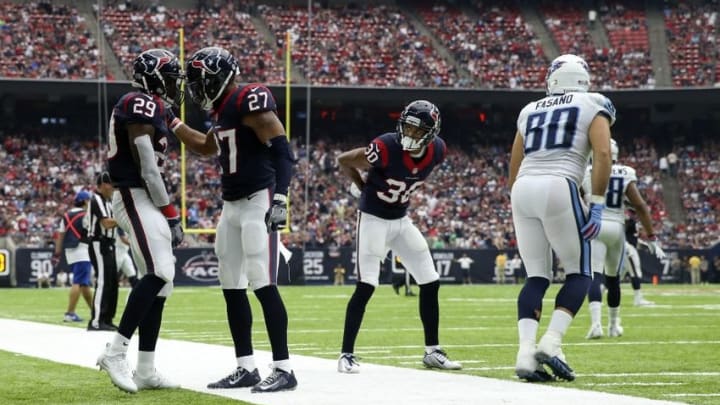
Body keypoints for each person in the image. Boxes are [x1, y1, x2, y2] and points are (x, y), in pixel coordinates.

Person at [97, 48, 217, 393]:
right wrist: (171, 212)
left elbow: (199, 143)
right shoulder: (139, 103)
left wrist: (222, 124)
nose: (173, 85)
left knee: (164, 283)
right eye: (168, 77)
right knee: (161, 271)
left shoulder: (159, 106)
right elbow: (148, 167)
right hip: (135, 194)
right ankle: (116, 351)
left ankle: (146, 369)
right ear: (152, 76)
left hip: (145, 196)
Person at [185, 46, 297, 393]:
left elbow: (282, 150)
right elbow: (206, 147)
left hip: (257, 201)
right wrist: (172, 122)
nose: (198, 88)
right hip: (231, 204)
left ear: (220, 77)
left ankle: (284, 368)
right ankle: (245, 366)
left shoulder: (249, 98)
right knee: (230, 285)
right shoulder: (221, 111)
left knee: (261, 282)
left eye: (203, 81)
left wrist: (281, 198)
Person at [336, 99, 461, 374]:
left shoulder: (438, 151)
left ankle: (432, 351)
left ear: (431, 133)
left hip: (401, 220)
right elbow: (343, 160)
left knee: (430, 281)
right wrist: (362, 188)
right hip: (372, 220)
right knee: (367, 284)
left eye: (417, 131)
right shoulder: (385, 146)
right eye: (407, 127)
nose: (410, 135)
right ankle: (346, 354)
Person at [509, 54, 613, 382]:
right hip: (560, 182)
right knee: (580, 272)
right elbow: (603, 154)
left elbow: (514, 163)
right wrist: (596, 202)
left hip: (523, 187)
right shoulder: (592, 102)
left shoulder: (529, 110)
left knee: (536, 277)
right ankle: (551, 343)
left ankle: (525, 354)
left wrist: (521, 200)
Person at [583, 140, 666, 339]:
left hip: (596, 225)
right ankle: (614, 326)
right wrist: (652, 236)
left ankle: (596, 325)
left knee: (595, 276)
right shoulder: (624, 172)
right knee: (613, 279)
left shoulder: (585, 171)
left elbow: (577, 200)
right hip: (616, 228)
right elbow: (640, 206)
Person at [53, 190, 93, 323]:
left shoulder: (66, 215)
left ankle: (95, 312)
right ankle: (70, 313)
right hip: (83, 250)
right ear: (85, 201)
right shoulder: (86, 215)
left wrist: (57, 253)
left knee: (84, 283)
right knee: (78, 281)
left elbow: (61, 235)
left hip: (70, 251)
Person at [87, 172, 119, 331]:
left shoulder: (109, 201)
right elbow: (106, 223)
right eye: (108, 183)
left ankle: (107, 318)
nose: (111, 187)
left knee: (113, 282)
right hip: (99, 243)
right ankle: (96, 320)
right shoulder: (96, 199)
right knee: (103, 281)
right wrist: (125, 218)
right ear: (100, 185)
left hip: (110, 244)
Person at [623, 214, 662, 306]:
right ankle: (638, 299)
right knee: (636, 273)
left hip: (625, 246)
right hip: (627, 247)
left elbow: (635, 239)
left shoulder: (634, 222)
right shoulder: (629, 220)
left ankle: (598, 294)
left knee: (618, 274)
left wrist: (648, 245)